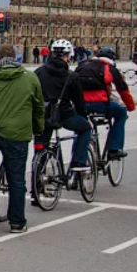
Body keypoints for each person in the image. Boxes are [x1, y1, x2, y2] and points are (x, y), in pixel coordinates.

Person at [0, 45, 44, 233]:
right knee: (16, 178)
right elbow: (38, 107)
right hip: (16, 134)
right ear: (16, 57)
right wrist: (38, 129)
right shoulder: (30, 77)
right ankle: (17, 222)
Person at [34, 39, 91, 188]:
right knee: (85, 128)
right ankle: (78, 162)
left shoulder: (39, 72)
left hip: (43, 116)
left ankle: (36, 186)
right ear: (68, 55)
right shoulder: (71, 76)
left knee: (41, 148)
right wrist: (84, 116)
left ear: (52, 54)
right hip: (65, 115)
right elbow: (79, 102)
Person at [76, 46, 134, 160]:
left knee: (81, 128)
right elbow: (122, 90)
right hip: (101, 104)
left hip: (81, 104)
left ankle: (78, 156)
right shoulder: (109, 68)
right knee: (121, 114)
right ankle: (114, 149)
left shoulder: (82, 65)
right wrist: (130, 106)